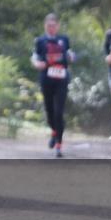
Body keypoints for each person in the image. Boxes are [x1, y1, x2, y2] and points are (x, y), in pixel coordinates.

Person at [32, 13, 75, 158]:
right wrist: (37, 63)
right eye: (49, 25)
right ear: (45, 26)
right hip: (46, 79)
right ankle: (54, 130)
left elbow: (70, 53)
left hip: (61, 79)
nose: (51, 28)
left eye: (54, 25)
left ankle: (59, 145)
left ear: (57, 26)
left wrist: (71, 57)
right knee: (49, 112)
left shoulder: (64, 39)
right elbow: (35, 57)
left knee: (59, 112)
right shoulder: (40, 41)